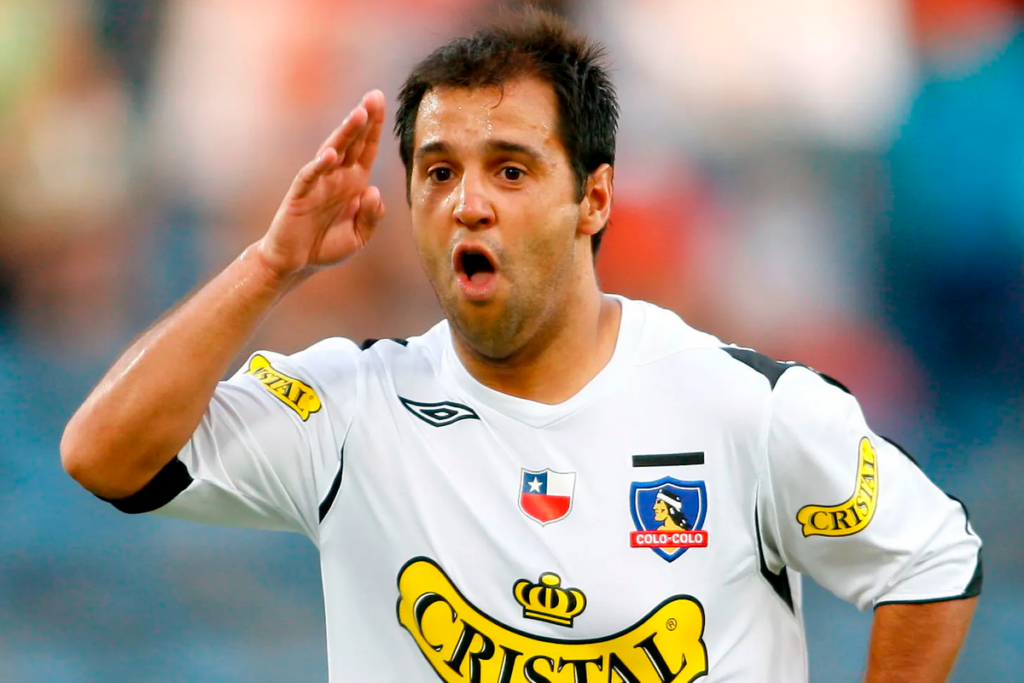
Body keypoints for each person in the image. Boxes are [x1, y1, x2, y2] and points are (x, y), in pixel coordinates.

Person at [61, 8, 981, 682]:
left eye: (510, 168)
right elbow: (103, 456)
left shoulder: (746, 407)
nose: (469, 200)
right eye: (438, 171)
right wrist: (269, 265)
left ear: (595, 199)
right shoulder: (351, 408)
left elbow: (932, 559)